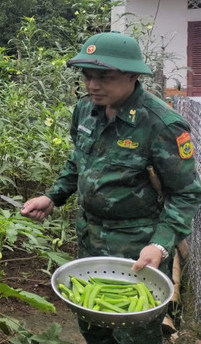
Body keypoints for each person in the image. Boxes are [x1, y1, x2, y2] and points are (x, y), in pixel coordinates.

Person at [20, 31, 201, 344]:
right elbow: (78, 162)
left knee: (135, 336)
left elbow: (186, 193)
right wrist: (53, 197)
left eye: (104, 76)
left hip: (139, 251)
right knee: (92, 327)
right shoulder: (85, 112)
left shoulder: (161, 124)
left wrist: (160, 245)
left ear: (131, 75)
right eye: (88, 76)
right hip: (90, 242)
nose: (93, 85)